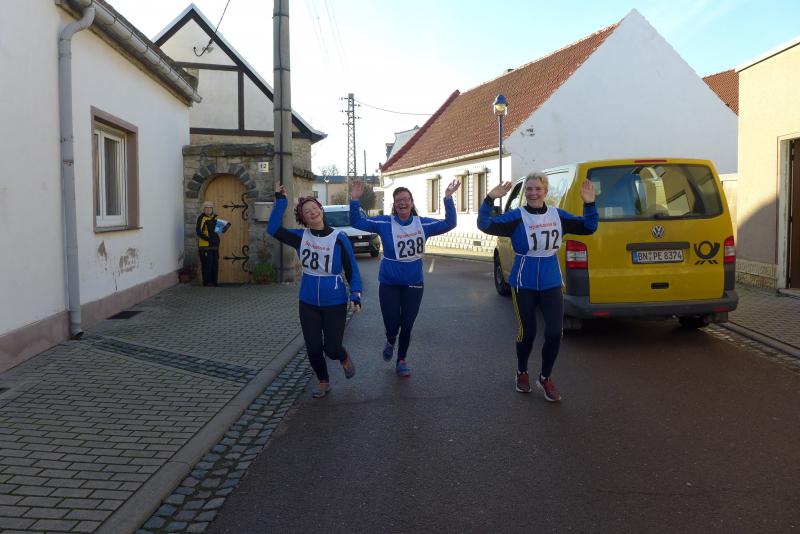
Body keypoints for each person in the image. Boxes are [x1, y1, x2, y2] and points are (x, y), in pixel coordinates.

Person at [477, 172, 598, 402]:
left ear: (545, 191)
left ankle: (545, 377)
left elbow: (589, 226)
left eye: (538, 189)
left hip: (551, 282)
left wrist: (590, 204)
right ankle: (522, 371)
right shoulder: (517, 217)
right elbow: (485, 224)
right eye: (529, 189)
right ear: (525, 192)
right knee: (528, 332)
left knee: (554, 332)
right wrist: (489, 199)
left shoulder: (557, 215)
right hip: (524, 282)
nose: (533, 193)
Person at [349, 179, 460, 378]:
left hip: (413, 283)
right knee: (392, 323)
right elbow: (357, 222)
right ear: (394, 204)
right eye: (398, 200)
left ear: (411, 202)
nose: (402, 203)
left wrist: (448, 198)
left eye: (406, 199)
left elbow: (450, 223)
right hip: (389, 283)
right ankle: (391, 339)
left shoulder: (423, 224)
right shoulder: (385, 223)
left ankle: (401, 360)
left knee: (407, 323)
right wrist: (355, 200)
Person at [267, 183, 363, 398]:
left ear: (321, 209)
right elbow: (272, 229)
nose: (312, 212)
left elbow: (351, 269)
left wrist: (355, 294)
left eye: (314, 208)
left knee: (332, 349)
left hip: (334, 301)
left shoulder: (339, 238)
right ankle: (323, 381)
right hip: (308, 301)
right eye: (306, 212)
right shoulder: (300, 237)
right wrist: (281, 201)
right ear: (303, 218)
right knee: (313, 348)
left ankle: (343, 357)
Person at [196, 201, 220, 287]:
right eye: (206, 207)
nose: (209, 209)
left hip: (214, 246)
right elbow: (199, 232)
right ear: (204, 209)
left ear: (212, 209)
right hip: (205, 246)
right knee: (207, 265)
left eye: (210, 207)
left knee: (214, 264)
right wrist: (209, 239)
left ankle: (214, 282)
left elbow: (217, 231)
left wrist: (217, 239)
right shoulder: (201, 218)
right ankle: (207, 282)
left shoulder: (214, 218)